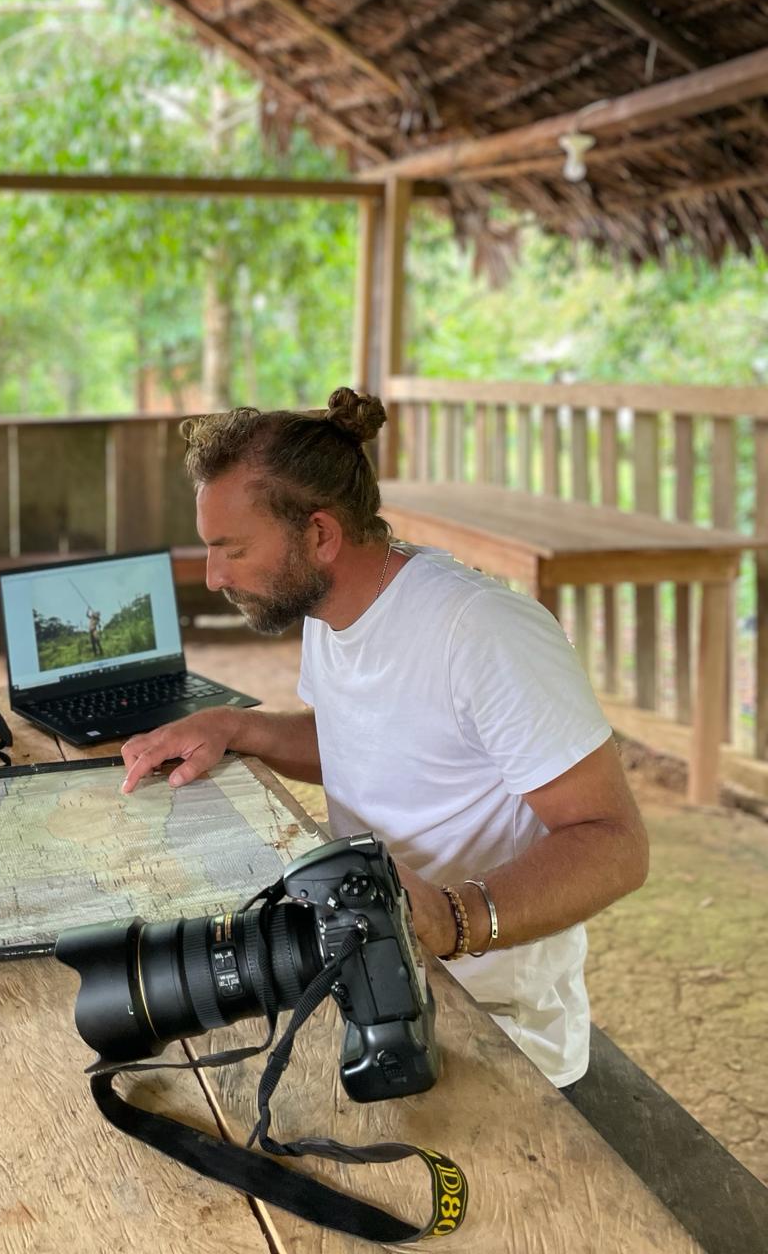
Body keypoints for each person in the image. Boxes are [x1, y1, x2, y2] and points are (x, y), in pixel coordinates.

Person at [120, 387, 648, 1089]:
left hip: (494, 1023)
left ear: (319, 534)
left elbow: (615, 843)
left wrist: (450, 919)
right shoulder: (329, 605)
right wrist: (234, 726)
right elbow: (369, 740)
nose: (214, 576)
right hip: (366, 979)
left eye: (232, 549)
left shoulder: (482, 633)